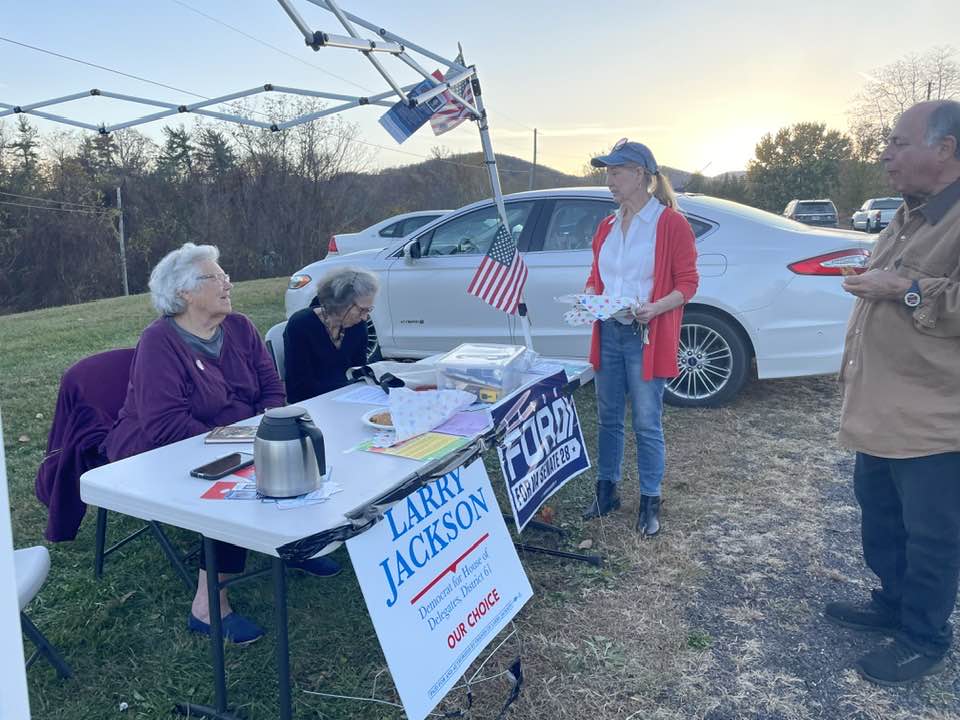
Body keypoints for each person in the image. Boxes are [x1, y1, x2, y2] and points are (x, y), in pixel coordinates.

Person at [103, 243, 338, 645]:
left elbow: (271, 388)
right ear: (184, 292)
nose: (228, 283)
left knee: (294, 451)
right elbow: (166, 425)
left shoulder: (240, 327)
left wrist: (268, 429)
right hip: (160, 449)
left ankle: (294, 544)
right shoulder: (159, 342)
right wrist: (245, 442)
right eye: (216, 277)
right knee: (235, 486)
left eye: (225, 275)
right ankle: (207, 608)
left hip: (239, 435)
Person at [825, 100, 960, 685]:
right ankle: (893, 602)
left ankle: (923, 634)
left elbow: (921, 295)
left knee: (932, 534)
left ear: (945, 149)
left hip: (935, 418)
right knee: (881, 517)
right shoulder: (909, 215)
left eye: (899, 143)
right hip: (880, 411)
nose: (885, 154)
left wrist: (905, 289)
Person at [581, 139, 699, 536]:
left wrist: (657, 307)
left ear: (641, 176)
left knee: (647, 421)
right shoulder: (607, 225)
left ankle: (650, 500)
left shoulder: (669, 224)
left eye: (616, 172)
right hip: (609, 331)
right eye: (607, 172)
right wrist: (590, 297)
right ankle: (606, 490)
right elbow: (598, 277)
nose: (609, 180)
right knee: (609, 416)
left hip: (645, 334)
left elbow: (688, 284)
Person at [283, 267, 379, 404]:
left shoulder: (357, 326)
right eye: (362, 310)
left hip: (348, 400)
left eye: (368, 310)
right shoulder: (300, 326)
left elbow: (359, 370)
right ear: (340, 303)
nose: (365, 317)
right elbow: (298, 389)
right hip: (311, 405)